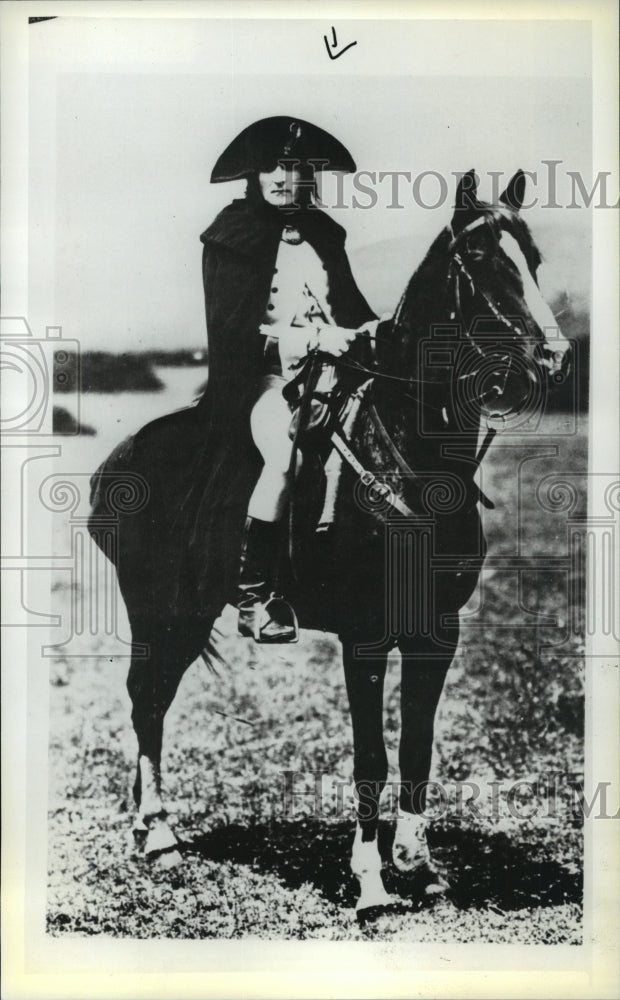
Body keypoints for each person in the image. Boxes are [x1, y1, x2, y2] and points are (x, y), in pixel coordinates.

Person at [201, 116, 378, 643]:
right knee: (288, 457)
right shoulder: (231, 235)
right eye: (273, 165)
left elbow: (348, 307)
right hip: (263, 381)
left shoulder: (325, 234)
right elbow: (231, 331)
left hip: (335, 380)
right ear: (253, 175)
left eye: (297, 167)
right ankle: (254, 600)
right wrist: (314, 341)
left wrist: (374, 329)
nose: (284, 176)